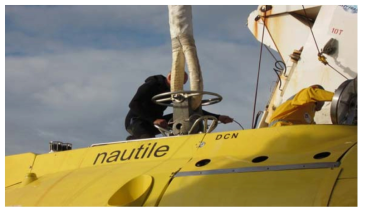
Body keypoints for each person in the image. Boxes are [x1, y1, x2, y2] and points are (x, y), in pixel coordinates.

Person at [125, 72, 233, 140]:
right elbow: (134, 104)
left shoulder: (175, 92)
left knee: (184, 117)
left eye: (183, 83)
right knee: (147, 140)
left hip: (156, 122)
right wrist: (153, 120)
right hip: (136, 121)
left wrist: (218, 117)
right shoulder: (151, 85)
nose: (181, 85)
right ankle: (135, 138)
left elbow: (191, 109)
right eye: (180, 81)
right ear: (170, 77)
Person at [269, 85, 334, 127]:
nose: (323, 101)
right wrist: (336, 97)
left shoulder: (311, 113)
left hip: (291, 133)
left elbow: (313, 128)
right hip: (279, 126)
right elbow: (311, 93)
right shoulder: (303, 96)